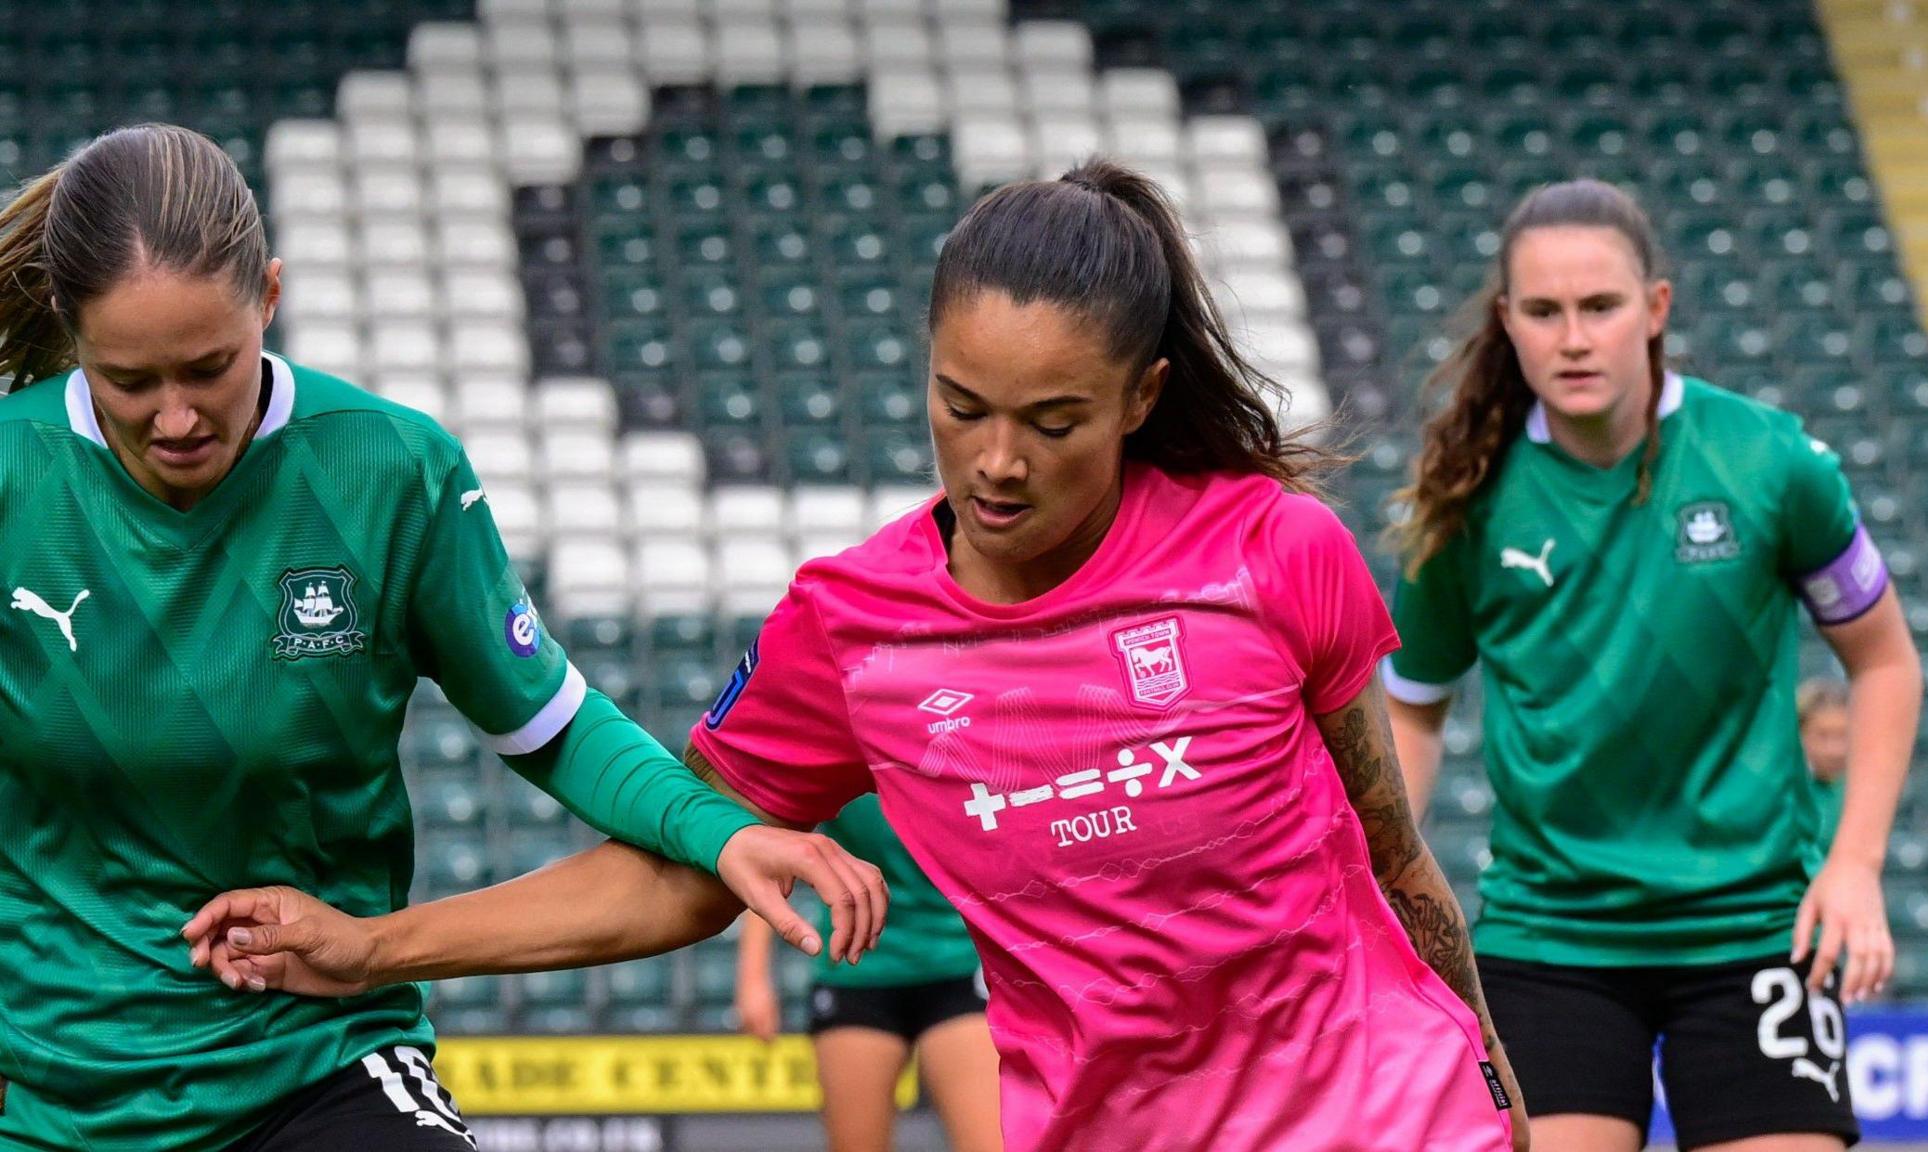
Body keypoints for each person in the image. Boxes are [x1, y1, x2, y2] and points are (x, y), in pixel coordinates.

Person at [188, 157, 1531, 1152]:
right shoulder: (850, 627)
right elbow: (683, 879)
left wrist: (1503, 1103)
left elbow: (1395, 859)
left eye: (1054, 421)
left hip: (1388, 1116)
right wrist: (372, 951)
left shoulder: (1276, 551)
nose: (997, 459)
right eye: (962, 406)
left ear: (1143, 400)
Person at [0, 123, 884, 1152]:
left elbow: (554, 726)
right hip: (52, 1098)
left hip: (315, 1059)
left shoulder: (392, 472)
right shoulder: (16, 479)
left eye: (208, 367)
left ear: (270, 299)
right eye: (130, 384)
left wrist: (712, 827)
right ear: (73, 332)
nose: (176, 416)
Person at [1382, 179, 1923, 1152]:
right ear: (1506, 322)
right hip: (1549, 937)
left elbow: (1883, 662)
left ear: (1655, 308)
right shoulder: (1464, 496)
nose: (1573, 337)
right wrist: (1382, 882)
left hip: (1757, 929)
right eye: (1542, 312)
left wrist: (1854, 864)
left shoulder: (1767, 461)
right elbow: (1411, 710)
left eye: (1600, 306)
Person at [733, 794, 1001, 1152]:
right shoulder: (833, 742)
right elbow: (771, 841)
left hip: (957, 960)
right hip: (856, 966)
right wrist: (752, 978)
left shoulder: (954, 742)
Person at [1798, 678, 1853, 851]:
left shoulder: (1859, 790)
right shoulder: (1785, 789)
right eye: (1823, 735)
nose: (1835, 750)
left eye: (1843, 736)